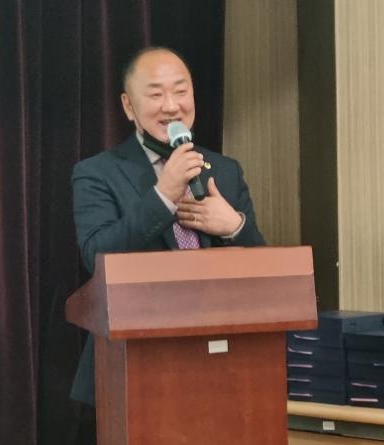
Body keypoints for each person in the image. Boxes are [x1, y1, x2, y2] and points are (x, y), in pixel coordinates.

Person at [70, 47, 265, 406]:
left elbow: (263, 274)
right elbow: (96, 256)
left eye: (181, 91)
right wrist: (163, 196)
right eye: (156, 94)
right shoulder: (97, 173)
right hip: (133, 365)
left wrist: (234, 226)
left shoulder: (224, 170)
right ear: (129, 106)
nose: (172, 106)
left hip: (220, 365)